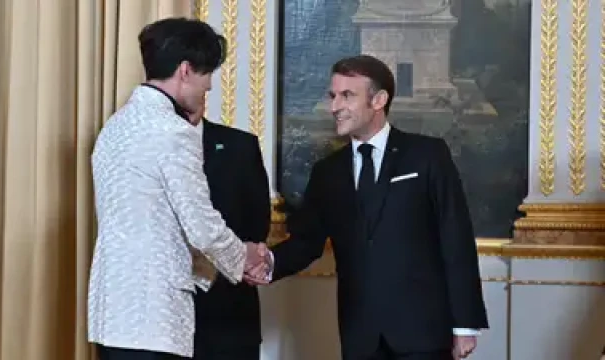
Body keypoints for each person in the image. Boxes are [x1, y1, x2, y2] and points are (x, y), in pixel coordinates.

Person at [246, 55, 489, 360]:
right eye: (333, 96)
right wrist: (267, 262)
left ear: (379, 100)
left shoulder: (427, 155)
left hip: (424, 333)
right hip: (361, 336)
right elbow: (307, 242)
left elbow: (455, 238)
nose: (335, 106)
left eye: (347, 95)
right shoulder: (328, 172)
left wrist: (465, 324)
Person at [87, 17, 268, 360]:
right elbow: (200, 224)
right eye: (207, 75)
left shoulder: (114, 128)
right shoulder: (174, 132)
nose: (209, 87)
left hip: (112, 313)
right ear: (185, 70)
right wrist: (242, 256)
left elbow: (156, 224)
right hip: (156, 317)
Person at [187, 102, 271, 360]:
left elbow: (257, 227)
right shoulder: (146, 146)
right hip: (165, 318)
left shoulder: (239, 146)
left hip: (230, 315)